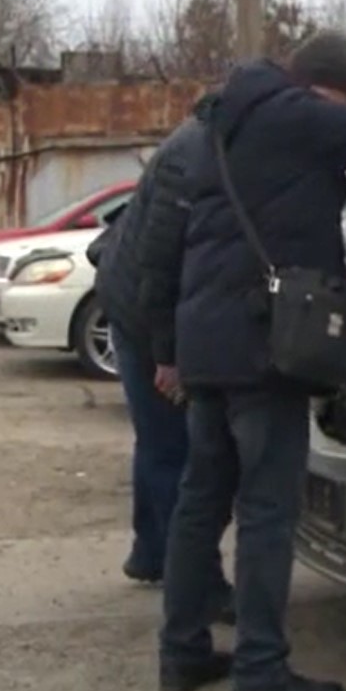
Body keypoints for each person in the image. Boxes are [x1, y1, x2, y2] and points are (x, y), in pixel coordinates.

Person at [157, 24, 346, 691]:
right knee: (266, 514)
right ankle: (261, 678)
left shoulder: (224, 124)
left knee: (200, 504)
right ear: (321, 87)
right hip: (263, 352)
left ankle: (181, 654)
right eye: (337, 100)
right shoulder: (289, 116)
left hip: (209, 346)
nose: (334, 116)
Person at [89, 109, 234, 622]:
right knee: (177, 449)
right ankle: (198, 583)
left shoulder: (200, 140)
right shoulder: (197, 156)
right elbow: (159, 267)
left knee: (157, 441)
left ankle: (152, 554)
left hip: (132, 300)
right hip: (140, 311)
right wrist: (166, 355)